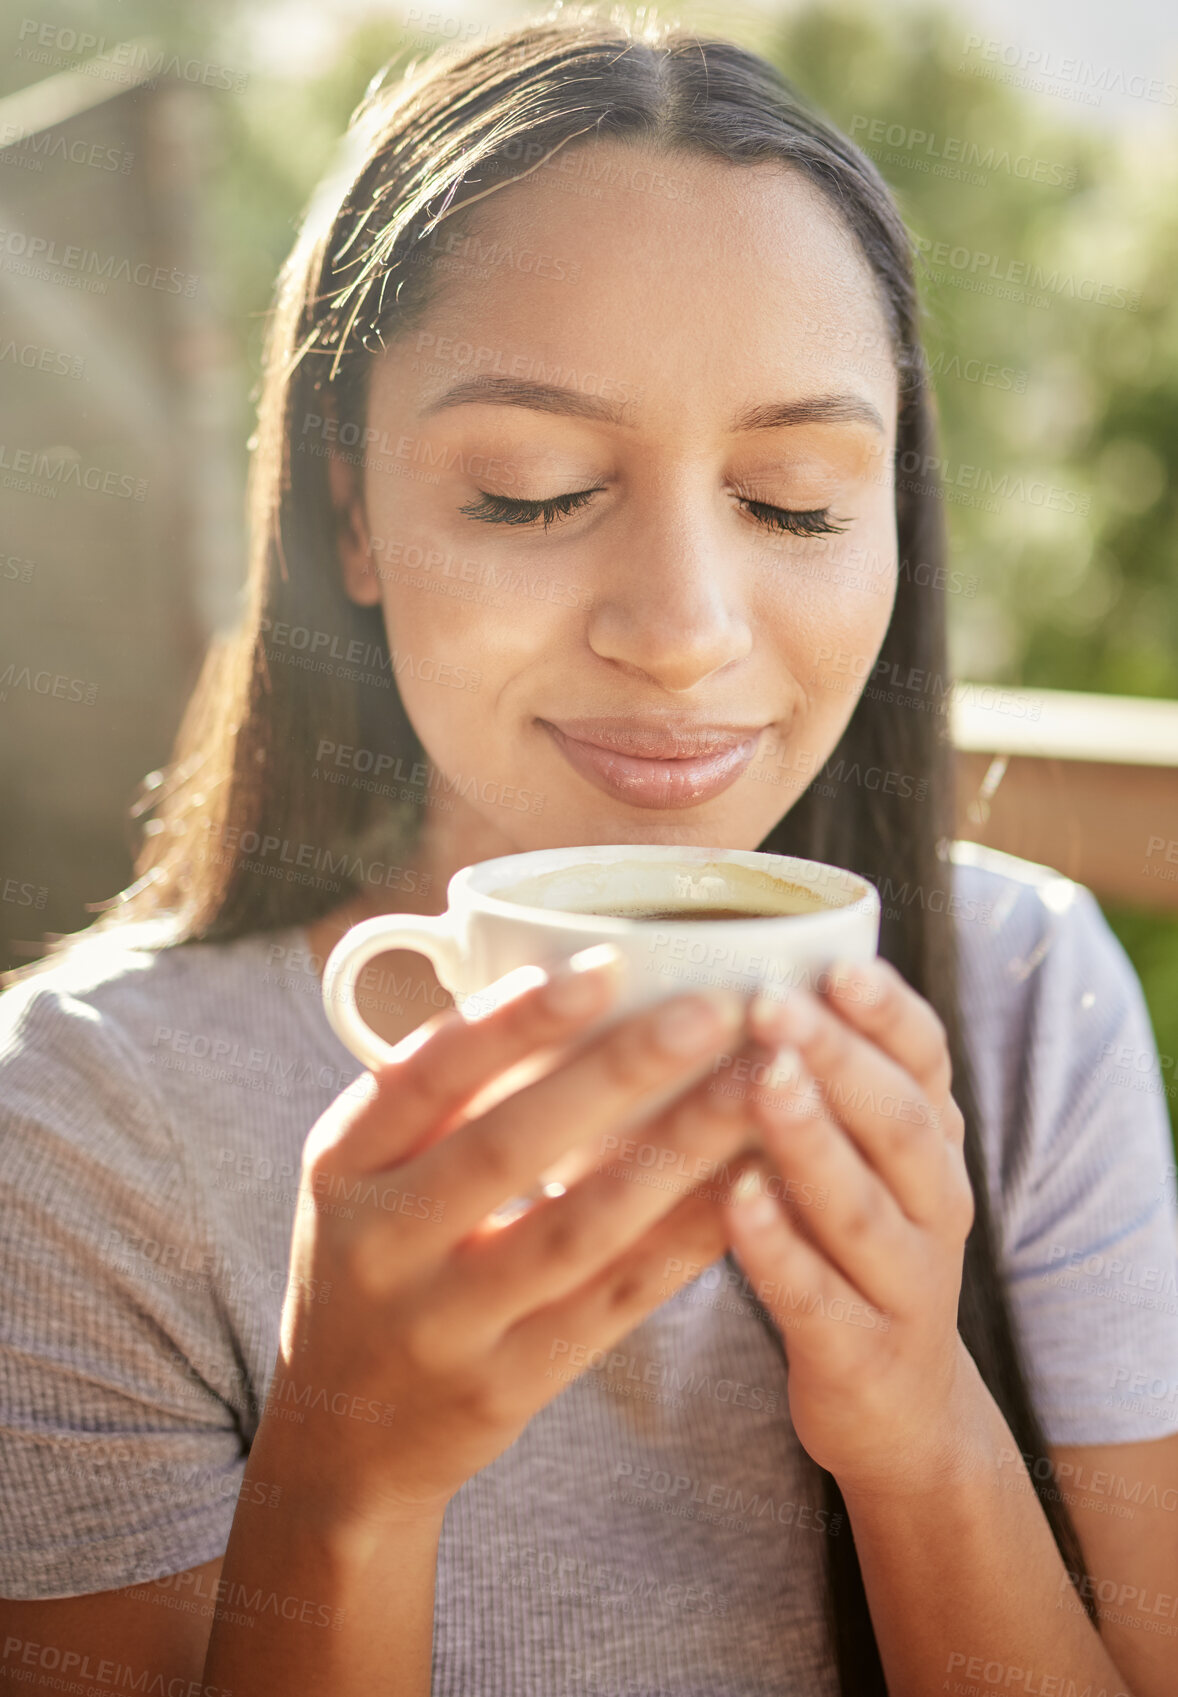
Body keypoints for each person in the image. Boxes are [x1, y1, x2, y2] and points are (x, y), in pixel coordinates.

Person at [1, 11, 1175, 1696]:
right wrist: (347, 1484)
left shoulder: (1020, 995)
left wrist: (923, 1433)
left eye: (789, 500)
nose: (685, 633)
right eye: (535, 491)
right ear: (350, 515)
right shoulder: (88, 1126)